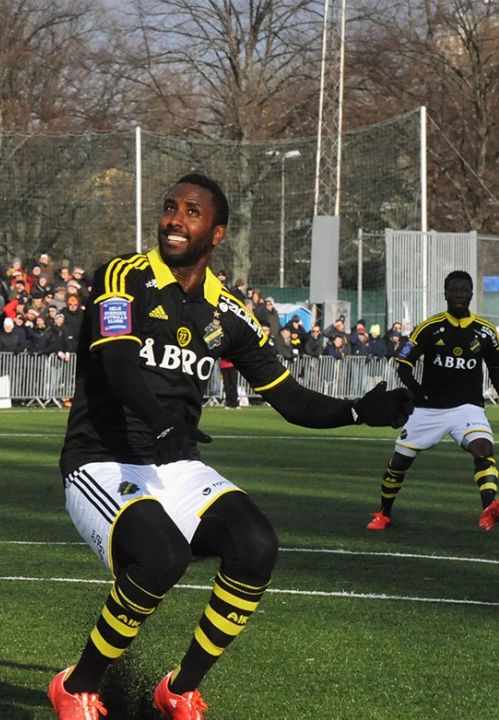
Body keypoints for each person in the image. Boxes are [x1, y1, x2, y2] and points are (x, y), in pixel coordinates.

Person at [48, 173, 413, 720]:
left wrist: (357, 410)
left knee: (257, 544)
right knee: (161, 556)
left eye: (191, 212)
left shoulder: (230, 313)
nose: (175, 219)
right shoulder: (122, 276)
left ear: (216, 233)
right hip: (101, 460)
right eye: (171, 208)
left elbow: (290, 397)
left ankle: (179, 689)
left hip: (175, 464)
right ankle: (76, 686)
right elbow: (118, 364)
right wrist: (160, 420)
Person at [367, 270, 499, 532]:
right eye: (454, 289)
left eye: (464, 290)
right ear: (445, 294)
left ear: (472, 295)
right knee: (399, 463)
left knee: (483, 449)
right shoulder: (429, 327)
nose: (459, 294)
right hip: (428, 409)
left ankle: (489, 509)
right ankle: (384, 513)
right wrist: (416, 392)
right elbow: (403, 363)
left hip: (467, 408)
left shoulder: (487, 332)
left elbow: (496, 371)